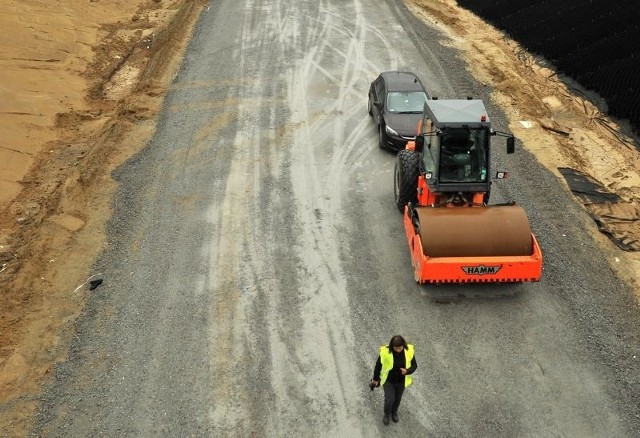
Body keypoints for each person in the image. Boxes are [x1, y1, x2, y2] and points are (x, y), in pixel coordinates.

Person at [371, 335, 417, 425]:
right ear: (392, 346)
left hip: (401, 381)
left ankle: (394, 412)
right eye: (396, 348)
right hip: (389, 381)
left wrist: (407, 371)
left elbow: (414, 365)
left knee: (398, 398)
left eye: (400, 348)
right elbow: (378, 366)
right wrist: (375, 379)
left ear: (403, 345)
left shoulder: (409, 351)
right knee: (389, 399)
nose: (398, 350)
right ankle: (387, 414)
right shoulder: (385, 353)